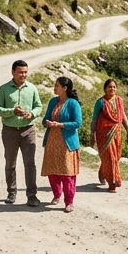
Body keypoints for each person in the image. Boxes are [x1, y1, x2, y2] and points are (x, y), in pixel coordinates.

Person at [0, 59, 44, 207]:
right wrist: (12, 111)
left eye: (25, 72)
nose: (23, 75)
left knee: (30, 164)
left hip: (28, 130)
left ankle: (32, 195)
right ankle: (11, 192)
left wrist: (32, 114)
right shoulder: (3, 89)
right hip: (9, 130)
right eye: (20, 72)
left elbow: (38, 106)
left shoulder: (32, 88)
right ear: (13, 72)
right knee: (10, 163)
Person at [41, 77, 83, 212]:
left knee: (67, 172)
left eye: (57, 86)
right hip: (52, 141)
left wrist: (60, 125)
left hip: (66, 143)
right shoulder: (53, 101)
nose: (54, 88)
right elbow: (45, 119)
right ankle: (56, 194)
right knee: (52, 170)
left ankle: (69, 201)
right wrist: (47, 122)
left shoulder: (73, 103)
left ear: (64, 88)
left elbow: (78, 123)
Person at [92, 79, 128, 192]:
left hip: (117, 133)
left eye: (114, 87)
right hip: (103, 134)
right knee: (110, 158)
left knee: (116, 157)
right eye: (110, 87)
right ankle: (112, 183)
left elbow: (123, 116)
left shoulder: (119, 100)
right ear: (105, 88)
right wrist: (92, 134)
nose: (112, 89)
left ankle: (102, 171)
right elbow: (94, 119)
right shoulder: (100, 102)